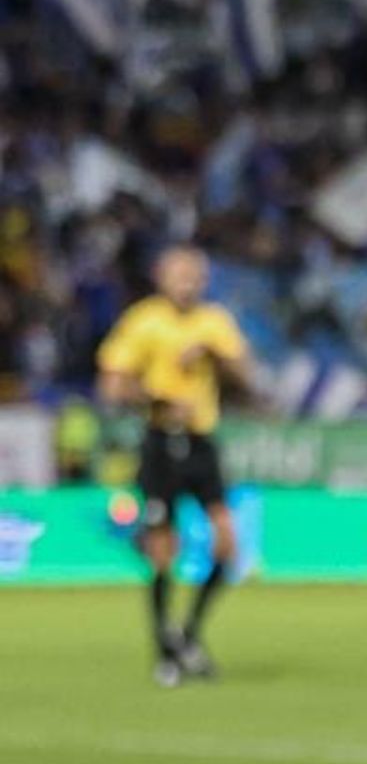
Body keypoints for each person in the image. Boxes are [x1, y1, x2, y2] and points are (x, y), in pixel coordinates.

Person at [96, 245, 255, 686]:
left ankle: (189, 635)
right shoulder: (143, 321)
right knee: (162, 549)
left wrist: (214, 357)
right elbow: (112, 385)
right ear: (161, 277)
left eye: (195, 276)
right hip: (160, 442)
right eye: (180, 275)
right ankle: (164, 652)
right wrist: (158, 400)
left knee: (227, 542)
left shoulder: (214, 323)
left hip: (202, 442)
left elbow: (247, 376)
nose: (188, 284)